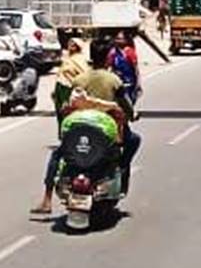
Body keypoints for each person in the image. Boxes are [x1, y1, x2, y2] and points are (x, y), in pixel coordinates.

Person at [32, 39, 141, 214]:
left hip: (80, 129)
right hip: (105, 130)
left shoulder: (79, 80)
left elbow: (69, 103)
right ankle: (121, 169)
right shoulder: (114, 80)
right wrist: (132, 114)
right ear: (108, 58)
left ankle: (47, 198)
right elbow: (126, 105)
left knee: (57, 155)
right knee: (134, 140)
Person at [51, 39, 89, 127]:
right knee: (60, 113)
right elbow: (60, 74)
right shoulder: (67, 59)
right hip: (60, 88)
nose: (71, 46)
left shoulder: (80, 59)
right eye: (70, 44)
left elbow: (84, 74)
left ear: (78, 46)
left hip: (69, 88)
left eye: (74, 44)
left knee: (69, 113)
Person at [107, 30, 140, 108]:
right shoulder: (113, 52)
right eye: (116, 39)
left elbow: (135, 68)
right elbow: (109, 66)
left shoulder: (130, 52)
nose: (117, 41)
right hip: (117, 82)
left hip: (129, 83)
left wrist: (138, 83)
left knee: (129, 103)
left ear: (126, 40)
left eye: (120, 39)